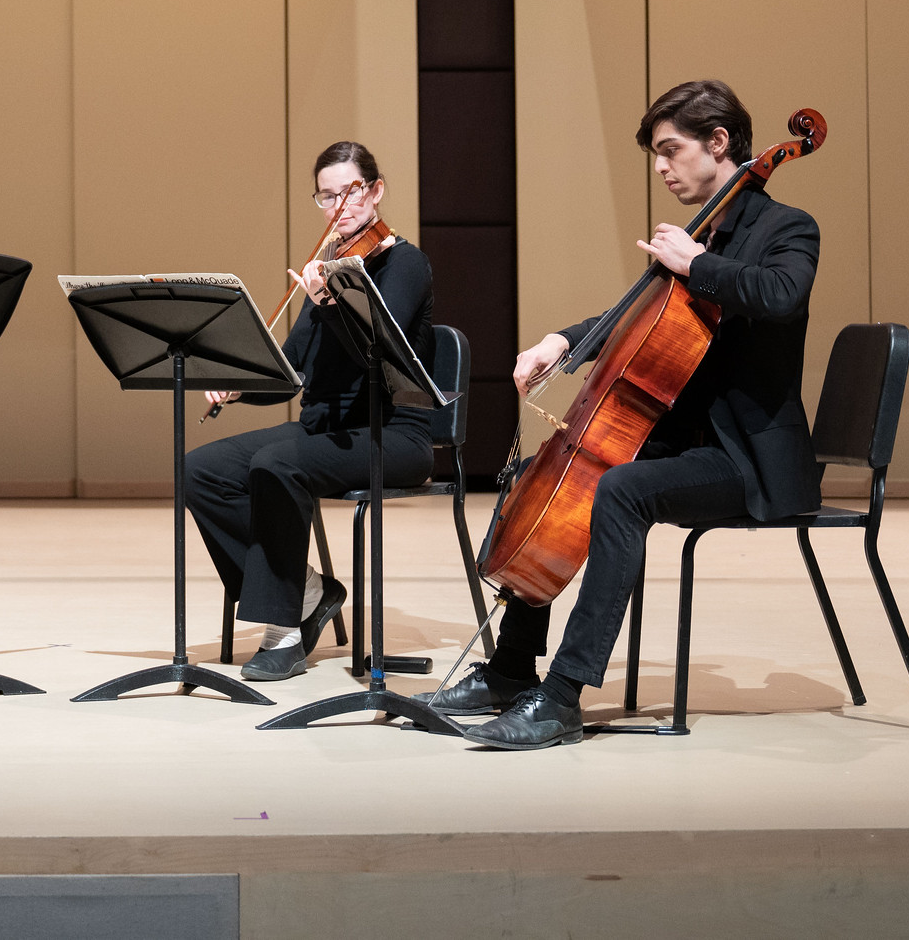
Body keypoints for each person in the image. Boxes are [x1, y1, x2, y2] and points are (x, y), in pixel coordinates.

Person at [443, 80, 822, 749]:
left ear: (719, 142)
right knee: (546, 475)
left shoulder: (785, 227)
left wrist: (700, 263)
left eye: (671, 150)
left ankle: (560, 700)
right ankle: (510, 670)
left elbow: (783, 295)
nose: (661, 166)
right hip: (686, 446)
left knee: (619, 491)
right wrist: (564, 341)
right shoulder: (702, 230)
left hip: (748, 459)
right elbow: (638, 320)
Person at [186, 141, 435, 681]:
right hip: (324, 432)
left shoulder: (404, 263)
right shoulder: (326, 269)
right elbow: (291, 372)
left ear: (376, 190)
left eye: (350, 192)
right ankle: (307, 590)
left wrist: (333, 304)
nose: (339, 207)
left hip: (393, 434)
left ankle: (284, 632)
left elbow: (379, 349)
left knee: (276, 463)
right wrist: (240, 386)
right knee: (200, 470)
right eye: (327, 197)